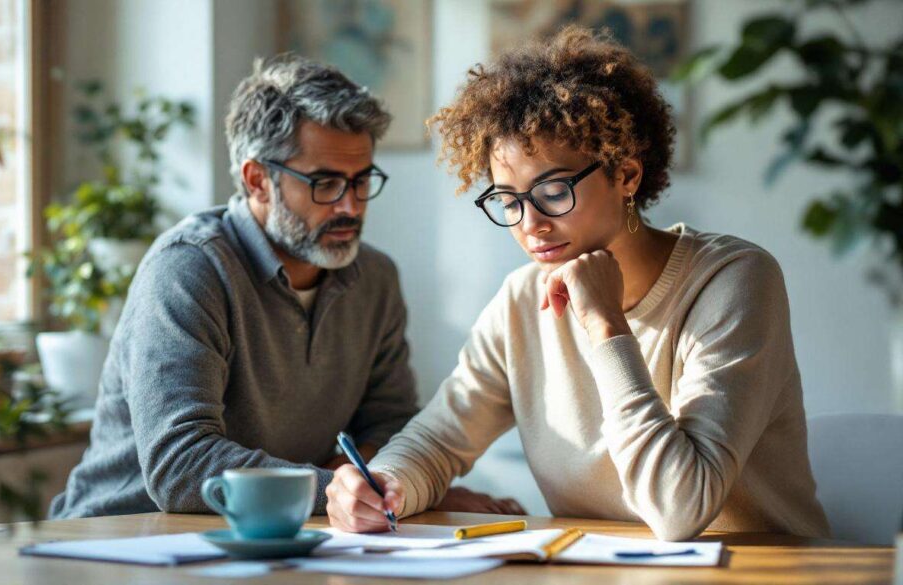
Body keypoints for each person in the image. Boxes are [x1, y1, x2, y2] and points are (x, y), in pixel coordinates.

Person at [324, 27, 831, 541]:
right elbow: (438, 440)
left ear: (627, 175)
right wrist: (382, 485)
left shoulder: (734, 280)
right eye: (508, 200)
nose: (531, 225)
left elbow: (680, 508)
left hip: (759, 569)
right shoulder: (522, 299)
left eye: (552, 192)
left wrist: (606, 326)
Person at [50, 55, 424, 518]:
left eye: (362, 180)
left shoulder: (375, 278)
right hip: (119, 537)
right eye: (325, 183)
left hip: (276, 534)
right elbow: (181, 466)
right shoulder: (188, 269)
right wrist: (330, 489)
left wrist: (357, 484)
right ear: (257, 180)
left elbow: (391, 424)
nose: (350, 206)